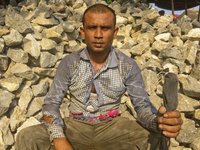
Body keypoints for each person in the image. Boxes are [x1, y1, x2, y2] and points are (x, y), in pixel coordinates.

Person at [15, 3, 183, 150]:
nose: (98, 34)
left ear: (115, 31)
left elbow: (142, 107)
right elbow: (50, 104)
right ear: (82, 31)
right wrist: (59, 138)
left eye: (105, 28)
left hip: (113, 128)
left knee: (155, 136)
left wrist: (158, 121)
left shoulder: (127, 65)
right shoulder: (69, 63)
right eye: (91, 28)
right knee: (27, 136)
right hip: (75, 127)